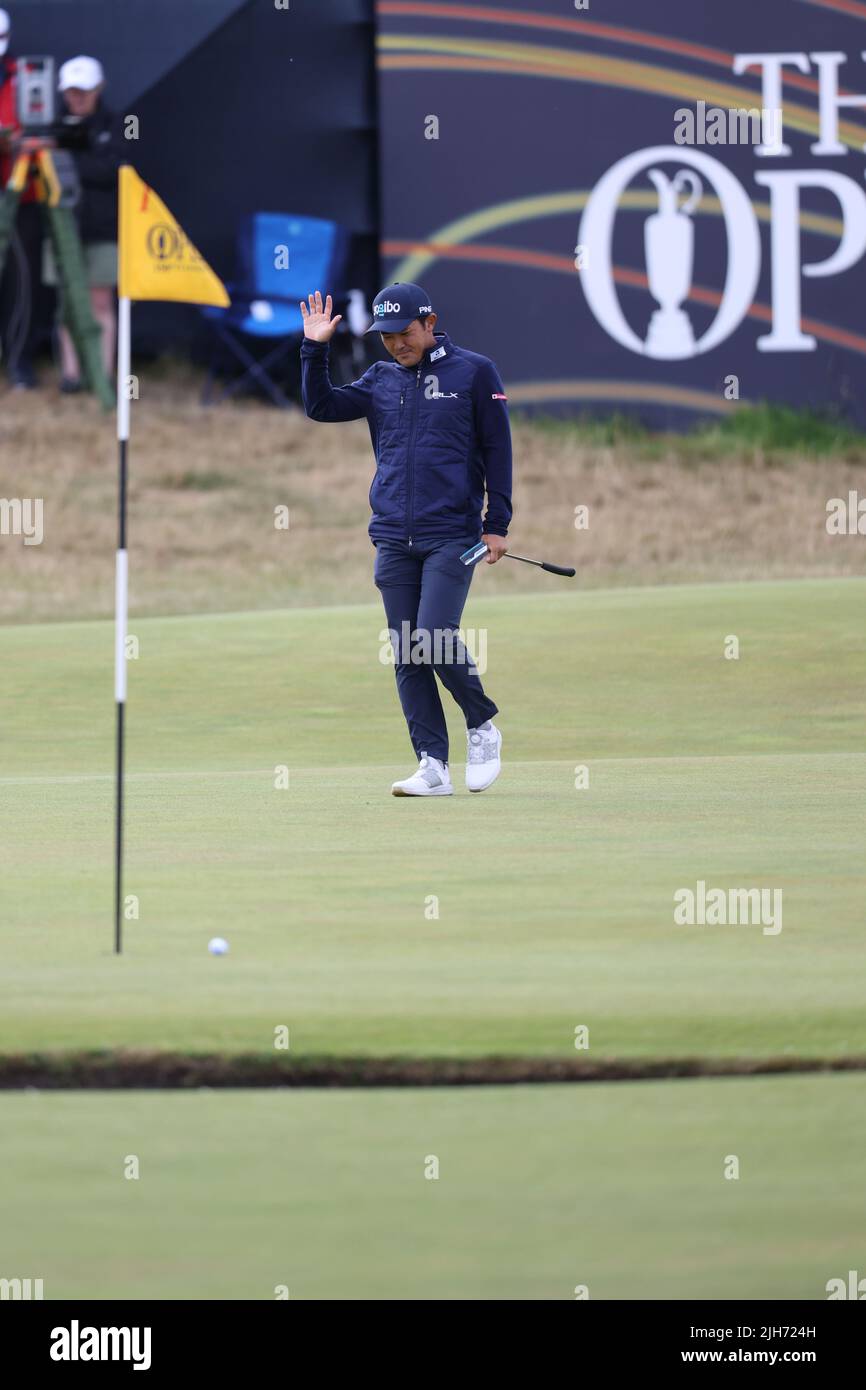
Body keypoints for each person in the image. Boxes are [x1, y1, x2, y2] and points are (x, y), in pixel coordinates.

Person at [300, 282, 511, 798]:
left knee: (434, 633)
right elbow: (321, 406)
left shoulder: (474, 372)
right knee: (407, 651)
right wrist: (315, 348)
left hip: (454, 534)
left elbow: (498, 448)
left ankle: (482, 726)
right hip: (393, 535)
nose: (397, 344)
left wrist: (497, 524)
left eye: (405, 332)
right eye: (387, 336)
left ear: (430, 322)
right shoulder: (380, 378)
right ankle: (432, 765)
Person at [45, 55, 121, 390]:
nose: (77, 98)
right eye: (72, 92)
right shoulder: (52, 127)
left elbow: (113, 171)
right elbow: (46, 175)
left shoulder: (114, 125)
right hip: (64, 227)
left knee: (100, 300)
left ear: (98, 89)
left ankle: (101, 374)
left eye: (84, 92)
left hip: (103, 229)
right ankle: (71, 375)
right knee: (69, 301)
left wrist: (70, 159)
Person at [0, 6, 43, 389]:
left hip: (21, 193)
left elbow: (42, 126)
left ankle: (19, 362)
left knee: (22, 280)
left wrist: (22, 142)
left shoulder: (27, 77)